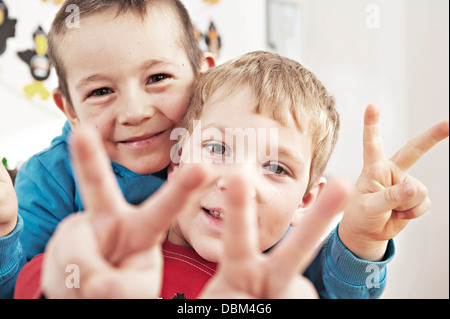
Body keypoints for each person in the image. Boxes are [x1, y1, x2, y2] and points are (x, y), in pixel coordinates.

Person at [13, 51, 449, 299]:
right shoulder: (111, 253)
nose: (238, 182)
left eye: (276, 168)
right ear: (177, 157)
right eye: (218, 147)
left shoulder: (279, 284)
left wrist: (364, 238)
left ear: (305, 201)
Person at [0, 0, 214, 299]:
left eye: (158, 78)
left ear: (203, 80)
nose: (134, 112)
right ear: (70, 110)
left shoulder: (230, 155)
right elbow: (15, 288)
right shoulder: (48, 178)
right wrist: (6, 233)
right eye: (100, 91)